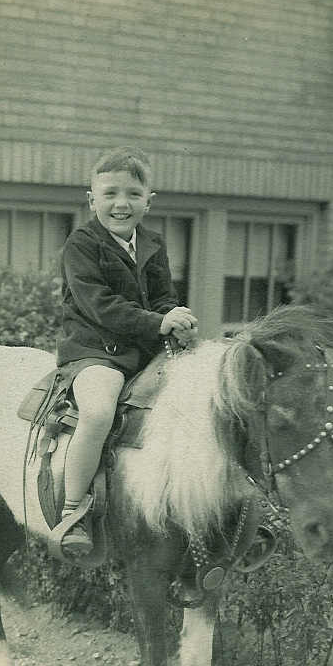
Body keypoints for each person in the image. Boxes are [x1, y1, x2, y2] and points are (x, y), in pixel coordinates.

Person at [50, 146, 198, 556]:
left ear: (148, 201)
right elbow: (99, 304)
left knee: (201, 401)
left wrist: (177, 316)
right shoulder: (80, 244)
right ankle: (73, 508)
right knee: (98, 411)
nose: (121, 203)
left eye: (133, 194)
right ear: (91, 199)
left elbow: (163, 297)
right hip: (95, 350)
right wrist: (157, 323)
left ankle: (204, 505)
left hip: (145, 350)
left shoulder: (152, 242)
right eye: (110, 193)